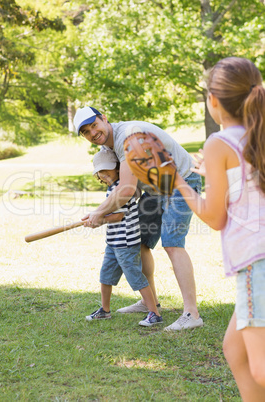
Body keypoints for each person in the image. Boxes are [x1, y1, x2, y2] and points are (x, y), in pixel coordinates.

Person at [171, 57, 265, 400]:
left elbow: (214, 217)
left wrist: (179, 181)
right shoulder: (257, 135)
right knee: (235, 350)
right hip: (258, 260)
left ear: (213, 100)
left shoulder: (219, 142)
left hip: (258, 262)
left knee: (261, 367)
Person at [73, 106, 203, 331]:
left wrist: (98, 212)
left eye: (94, 125)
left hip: (182, 181)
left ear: (104, 118)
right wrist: (104, 215)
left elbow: (125, 189)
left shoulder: (128, 136)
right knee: (140, 241)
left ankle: (192, 313)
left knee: (172, 244)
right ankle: (149, 302)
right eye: (86, 132)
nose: (92, 133)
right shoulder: (109, 146)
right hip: (156, 190)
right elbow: (131, 189)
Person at [84, 148, 163, 327]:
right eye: (100, 172)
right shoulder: (113, 189)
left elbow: (118, 216)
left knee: (135, 277)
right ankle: (104, 310)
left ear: (118, 168)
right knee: (105, 276)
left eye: (107, 170)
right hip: (113, 242)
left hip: (126, 242)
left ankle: (154, 312)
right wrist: (95, 216)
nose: (103, 175)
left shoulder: (124, 188)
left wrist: (99, 219)